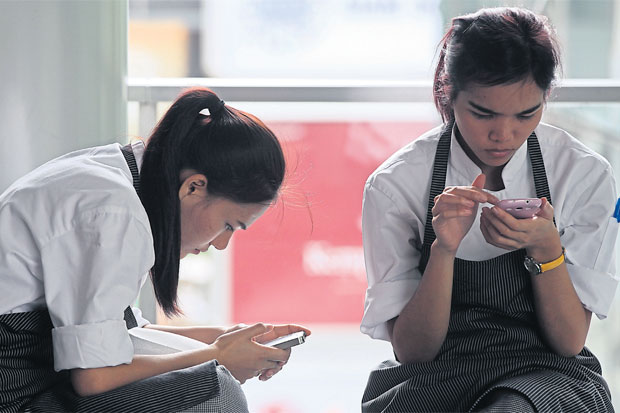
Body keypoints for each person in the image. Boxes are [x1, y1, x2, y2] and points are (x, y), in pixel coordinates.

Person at [360, 7, 616, 412]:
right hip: (434, 375)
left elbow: (569, 342)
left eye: (526, 114)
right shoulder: (396, 184)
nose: (504, 134)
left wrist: (548, 251)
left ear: (545, 98)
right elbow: (413, 352)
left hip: (546, 373)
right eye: (483, 113)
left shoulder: (582, 173)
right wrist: (442, 251)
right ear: (449, 93)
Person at [0, 87, 311, 412]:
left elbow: (116, 333)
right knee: (217, 393)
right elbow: (94, 376)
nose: (220, 244)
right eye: (229, 225)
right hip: (14, 396)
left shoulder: (116, 174)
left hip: (32, 372)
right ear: (194, 187)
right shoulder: (115, 213)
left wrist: (228, 338)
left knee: (206, 373)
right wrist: (220, 354)